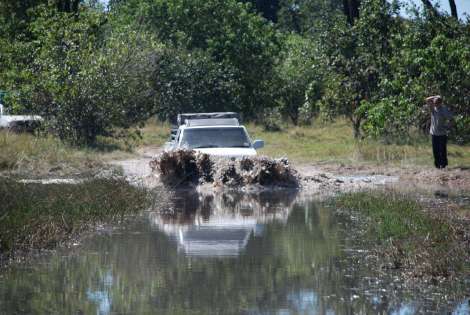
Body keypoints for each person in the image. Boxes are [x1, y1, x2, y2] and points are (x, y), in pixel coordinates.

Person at [425, 95, 453, 169]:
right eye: (434, 103)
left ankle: (444, 165)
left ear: (440, 103)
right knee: (435, 150)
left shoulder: (444, 110)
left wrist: (448, 126)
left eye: (437, 103)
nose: (435, 105)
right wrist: (435, 96)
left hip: (442, 133)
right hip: (434, 133)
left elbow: (451, 119)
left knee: (442, 150)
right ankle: (437, 166)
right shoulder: (433, 109)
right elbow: (427, 99)